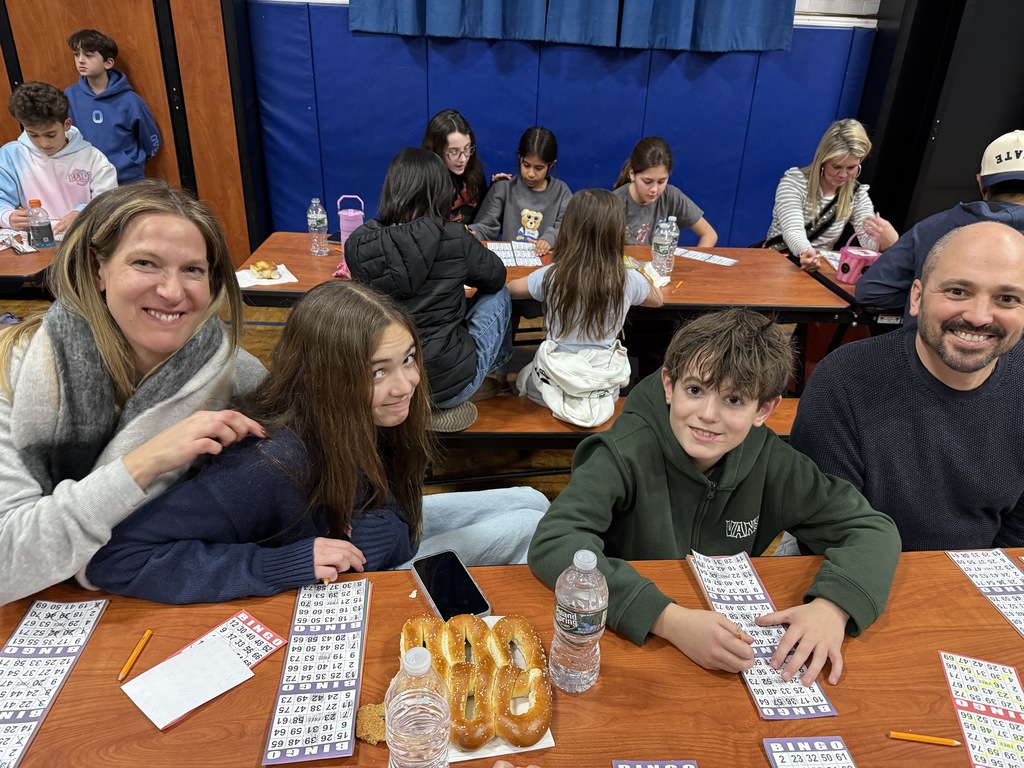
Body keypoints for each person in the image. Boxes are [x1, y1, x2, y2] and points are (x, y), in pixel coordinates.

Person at [86, 281, 549, 604]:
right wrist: (281, 564)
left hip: (387, 532)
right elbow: (117, 558)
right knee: (526, 529)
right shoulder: (270, 462)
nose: (406, 383)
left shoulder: (364, 418)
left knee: (531, 499)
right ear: (324, 379)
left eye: (408, 359)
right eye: (377, 372)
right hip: (365, 577)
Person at [528, 308, 900, 686]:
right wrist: (667, 619)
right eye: (695, 390)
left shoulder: (773, 461)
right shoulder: (623, 452)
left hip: (726, 644)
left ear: (765, 408)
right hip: (632, 642)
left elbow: (870, 528)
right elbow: (554, 541)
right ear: (669, 386)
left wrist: (832, 608)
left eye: (734, 400)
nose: (708, 414)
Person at [0, 180, 267, 606]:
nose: (173, 292)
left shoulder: (239, 378)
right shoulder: (13, 370)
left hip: (162, 609)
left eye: (193, 270)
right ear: (97, 269)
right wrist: (144, 461)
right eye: (146, 263)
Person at [791, 221, 1024, 551]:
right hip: (862, 575)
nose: (979, 316)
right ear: (916, 298)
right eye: (958, 291)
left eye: (1007, 298)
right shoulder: (843, 382)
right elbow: (828, 532)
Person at [345, 147, 512, 432]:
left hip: (388, 387)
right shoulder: (455, 235)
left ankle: (409, 406)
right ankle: (496, 378)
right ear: (439, 190)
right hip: (449, 387)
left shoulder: (358, 243)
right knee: (500, 294)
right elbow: (496, 277)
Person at [507, 189, 663, 427]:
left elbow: (511, 289)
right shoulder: (626, 278)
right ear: (617, 233)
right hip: (602, 392)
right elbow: (657, 299)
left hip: (551, 388)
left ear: (568, 230)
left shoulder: (551, 275)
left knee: (525, 375)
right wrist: (633, 268)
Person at [856, 129, 1024, 318]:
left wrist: (934, 298)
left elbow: (871, 291)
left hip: (922, 345)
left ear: (981, 183)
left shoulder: (931, 227)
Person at [764, 118, 898, 272]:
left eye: (851, 167)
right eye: (836, 166)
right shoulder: (794, 182)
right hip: (780, 260)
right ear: (823, 160)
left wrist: (888, 240)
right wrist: (806, 252)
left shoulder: (857, 194)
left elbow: (867, 242)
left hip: (819, 268)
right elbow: (792, 230)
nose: (843, 175)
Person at [0, 81, 117, 234]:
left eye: (51, 134)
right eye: (33, 135)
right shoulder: (11, 155)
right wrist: (7, 216)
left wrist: (82, 214)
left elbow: (109, 201)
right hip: (38, 240)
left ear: (66, 124)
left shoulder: (92, 157)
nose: (43, 143)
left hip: (82, 236)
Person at [65, 29, 161, 185]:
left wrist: (130, 161)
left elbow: (151, 141)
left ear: (108, 63)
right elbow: (66, 135)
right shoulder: (70, 95)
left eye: (88, 56)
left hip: (128, 180)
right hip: (88, 180)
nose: (80, 60)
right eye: (77, 55)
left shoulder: (131, 101)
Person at [469, 126, 573, 258]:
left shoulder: (561, 192)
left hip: (544, 267)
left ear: (551, 165)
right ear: (520, 157)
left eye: (539, 168)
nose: (531, 174)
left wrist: (550, 238)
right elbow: (485, 227)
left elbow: (567, 228)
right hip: (511, 267)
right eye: (526, 165)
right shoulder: (504, 189)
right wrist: (472, 233)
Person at [612, 137, 717, 247]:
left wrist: (696, 263)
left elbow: (709, 234)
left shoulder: (672, 196)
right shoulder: (615, 203)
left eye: (661, 181)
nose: (654, 189)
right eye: (647, 182)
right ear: (632, 174)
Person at [422, 108, 488, 225]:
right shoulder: (424, 180)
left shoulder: (475, 174)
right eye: (453, 152)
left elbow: (482, 220)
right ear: (436, 151)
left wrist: (494, 191)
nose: (463, 159)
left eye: (467, 148)